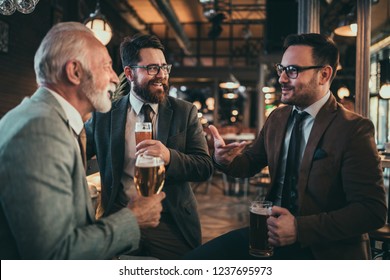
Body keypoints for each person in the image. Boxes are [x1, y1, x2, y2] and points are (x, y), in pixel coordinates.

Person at [185, 33, 387, 260]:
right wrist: (224, 160)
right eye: (281, 68)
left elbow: (371, 211)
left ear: (324, 74)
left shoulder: (353, 129)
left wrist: (299, 229)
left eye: (292, 70)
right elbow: (250, 163)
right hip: (268, 235)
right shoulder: (278, 118)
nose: (281, 78)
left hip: (322, 250)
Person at [0, 22, 165, 260]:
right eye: (107, 66)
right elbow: (53, 256)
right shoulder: (40, 131)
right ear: (75, 72)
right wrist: (133, 218)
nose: (114, 78)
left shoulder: (46, 118)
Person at [85, 33, 213, 259]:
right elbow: (75, 152)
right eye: (152, 68)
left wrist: (169, 156)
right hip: (121, 216)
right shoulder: (104, 114)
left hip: (170, 221)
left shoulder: (185, 112)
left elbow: (204, 167)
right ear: (129, 73)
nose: (162, 75)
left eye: (164, 67)